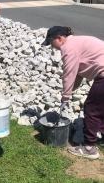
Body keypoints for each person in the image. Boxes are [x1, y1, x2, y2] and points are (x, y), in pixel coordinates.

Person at [42, 26, 104, 159]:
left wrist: (65, 98)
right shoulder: (77, 42)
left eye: (52, 43)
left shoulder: (68, 47)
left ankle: (89, 148)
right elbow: (77, 75)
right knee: (100, 108)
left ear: (59, 37)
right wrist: (69, 93)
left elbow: (69, 73)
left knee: (92, 109)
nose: (53, 47)